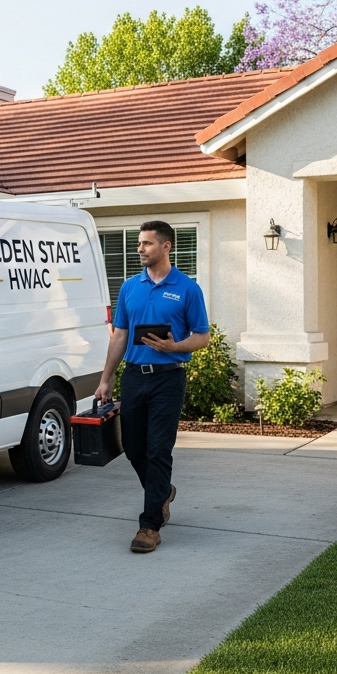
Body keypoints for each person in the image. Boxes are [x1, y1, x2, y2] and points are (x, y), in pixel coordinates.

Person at [95, 221, 209, 553]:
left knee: (159, 449)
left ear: (166, 246)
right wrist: (106, 379)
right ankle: (162, 492)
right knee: (133, 448)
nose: (140, 249)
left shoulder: (188, 289)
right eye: (139, 244)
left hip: (168, 378)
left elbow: (202, 336)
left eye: (146, 243)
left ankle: (149, 526)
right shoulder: (131, 287)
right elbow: (120, 335)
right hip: (134, 377)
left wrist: (176, 347)